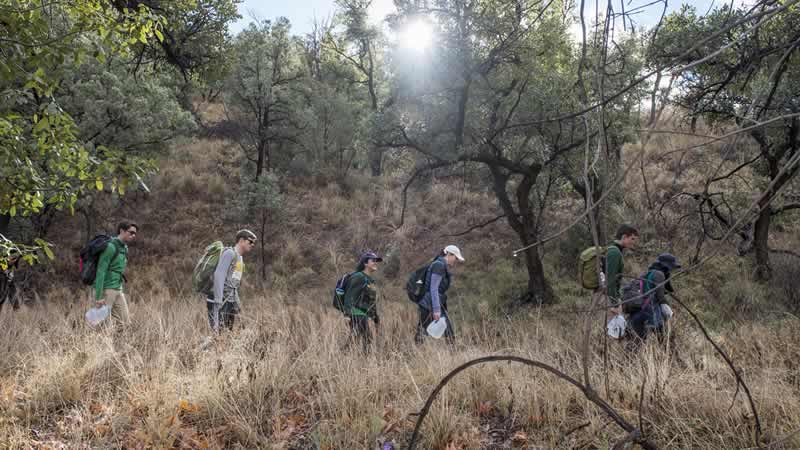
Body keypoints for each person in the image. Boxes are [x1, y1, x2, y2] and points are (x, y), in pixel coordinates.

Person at [207, 230, 256, 334]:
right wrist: (218, 301)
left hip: (230, 301)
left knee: (226, 334)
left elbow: (234, 284)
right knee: (217, 334)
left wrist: (236, 304)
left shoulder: (240, 259)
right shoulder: (229, 253)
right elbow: (219, 275)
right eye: (250, 242)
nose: (252, 245)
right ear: (242, 240)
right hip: (220, 301)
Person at [414, 245, 464, 344]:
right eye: (456, 258)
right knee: (444, 332)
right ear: (449, 254)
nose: (456, 261)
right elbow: (434, 288)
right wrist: (436, 310)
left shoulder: (440, 264)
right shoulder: (439, 265)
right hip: (430, 305)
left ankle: (414, 352)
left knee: (423, 332)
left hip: (429, 304)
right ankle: (452, 353)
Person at [628, 253, 681, 343]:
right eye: (671, 267)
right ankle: (668, 356)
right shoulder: (659, 274)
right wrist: (669, 310)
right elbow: (660, 296)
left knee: (637, 342)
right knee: (665, 341)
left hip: (636, 312)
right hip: (651, 312)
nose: (672, 270)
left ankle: (626, 357)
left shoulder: (647, 273)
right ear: (666, 266)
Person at [94, 221, 138, 326]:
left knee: (125, 323)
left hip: (118, 289)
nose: (133, 235)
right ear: (122, 231)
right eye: (131, 232)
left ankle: (115, 342)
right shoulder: (110, 247)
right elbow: (101, 271)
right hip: (107, 290)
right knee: (99, 323)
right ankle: (81, 337)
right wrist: (98, 296)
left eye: (135, 233)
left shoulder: (124, 247)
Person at [343, 252, 382, 352]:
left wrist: (375, 317)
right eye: (373, 261)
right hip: (356, 313)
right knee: (366, 338)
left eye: (376, 261)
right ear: (365, 263)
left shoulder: (370, 280)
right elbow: (349, 295)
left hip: (363, 314)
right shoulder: (359, 277)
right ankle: (364, 362)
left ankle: (344, 355)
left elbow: (371, 300)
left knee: (357, 338)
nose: (375, 263)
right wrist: (347, 314)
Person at [606, 224, 639, 311]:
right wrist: (615, 304)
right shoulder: (614, 252)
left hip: (608, 297)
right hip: (607, 299)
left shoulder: (614, 250)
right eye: (632, 239)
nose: (633, 242)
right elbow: (611, 279)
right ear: (624, 237)